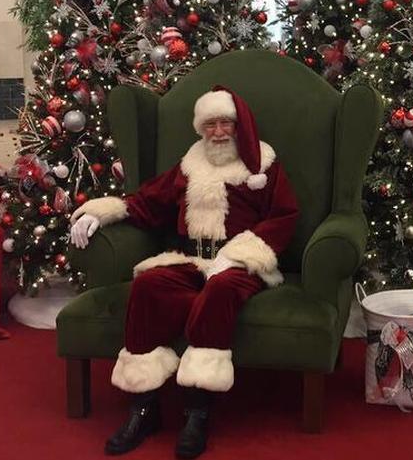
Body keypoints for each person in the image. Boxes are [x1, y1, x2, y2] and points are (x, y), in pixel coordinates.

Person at [70, 86, 299, 459]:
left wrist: (239, 254)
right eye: (211, 125)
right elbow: (148, 201)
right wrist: (102, 211)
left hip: (241, 264)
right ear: (200, 129)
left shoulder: (263, 165)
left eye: (226, 123)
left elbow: (284, 218)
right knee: (149, 285)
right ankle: (144, 406)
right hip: (191, 259)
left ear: (238, 127)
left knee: (222, 289)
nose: (219, 132)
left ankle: (197, 409)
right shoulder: (190, 164)